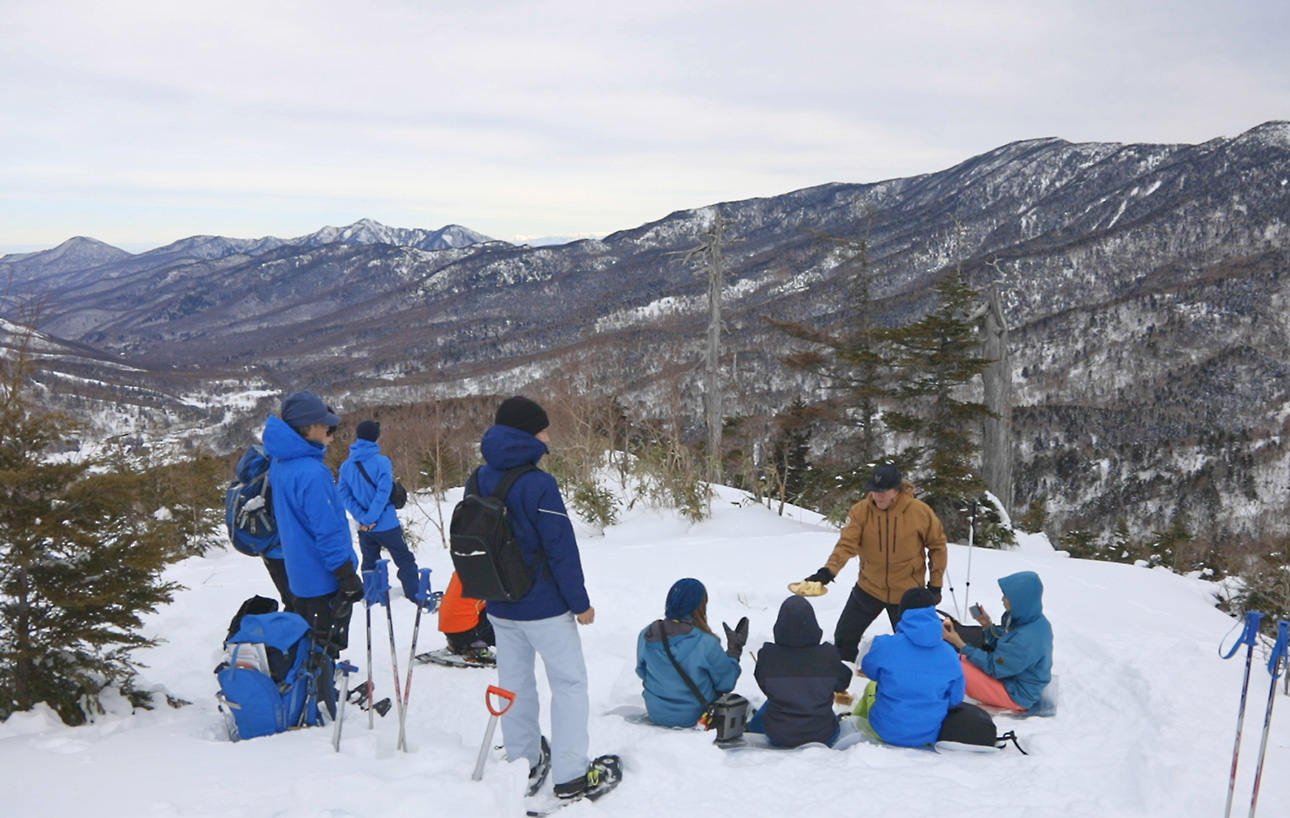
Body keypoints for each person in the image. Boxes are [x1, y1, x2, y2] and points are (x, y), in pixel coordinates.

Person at [476, 396, 617, 801]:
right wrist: (580, 603)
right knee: (569, 684)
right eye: (543, 429)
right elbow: (560, 550)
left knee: (515, 684)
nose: (548, 435)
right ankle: (571, 776)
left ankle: (524, 762)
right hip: (544, 609)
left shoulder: (478, 478)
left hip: (500, 604)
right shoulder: (539, 484)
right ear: (527, 434)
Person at [802, 462, 948, 662]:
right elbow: (847, 544)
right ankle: (843, 685)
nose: (878, 495)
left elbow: (937, 546)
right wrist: (827, 572)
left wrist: (935, 585)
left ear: (897, 489)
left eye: (884, 490)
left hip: (907, 592)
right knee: (844, 638)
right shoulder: (860, 511)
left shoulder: (920, 512)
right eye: (874, 490)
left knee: (914, 646)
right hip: (869, 587)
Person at [261, 391, 362, 658]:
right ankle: (323, 693)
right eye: (323, 423)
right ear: (308, 428)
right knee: (326, 644)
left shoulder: (280, 463)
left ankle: (316, 688)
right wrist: (346, 575)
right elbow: (327, 531)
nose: (328, 427)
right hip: (323, 577)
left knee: (309, 643)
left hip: (298, 574)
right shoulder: (312, 473)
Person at [854, 587, 965, 747]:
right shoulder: (949, 653)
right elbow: (955, 698)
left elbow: (869, 671)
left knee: (872, 687)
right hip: (930, 733)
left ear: (903, 612)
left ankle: (857, 722)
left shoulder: (884, 645)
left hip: (886, 730)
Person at [636, 578, 746, 728]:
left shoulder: (647, 634)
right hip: (696, 717)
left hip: (657, 713)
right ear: (699, 607)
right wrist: (734, 652)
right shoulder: (706, 642)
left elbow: (642, 671)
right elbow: (726, 683)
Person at [749, 595, 852, 747]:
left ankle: (752, 729)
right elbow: (843, 682)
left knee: (769, 705)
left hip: (779, 735)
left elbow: (764, 686)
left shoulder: (768, 655)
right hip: (823, 735)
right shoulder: (827, 655)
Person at [941, 571, 1053, 711]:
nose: (1002, 599)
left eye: (1007, 596)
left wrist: (960, 643)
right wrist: (987, 626)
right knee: (954, 660)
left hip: (1016, 695)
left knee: (953, 668)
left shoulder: (1027, 639)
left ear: (1020, 599)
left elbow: (994, 667)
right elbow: (1006, 645)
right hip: (1012, 678)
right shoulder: (1031, 619)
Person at [337, 420, 421, 602]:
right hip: (386, 523)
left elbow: (344, 495)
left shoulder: (346, 466)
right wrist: (371, 517)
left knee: (369, 561)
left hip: (365, 527)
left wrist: (362, 518)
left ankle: (373, 596)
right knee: (404, 559)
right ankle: (415, 595)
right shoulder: (382, 462)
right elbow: (383, 493)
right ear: (376, 436)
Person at [438, 570, 495, 659]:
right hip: (467, 631)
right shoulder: (491, 574)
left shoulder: (463, 567)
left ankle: (457, 644)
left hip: (448, 628)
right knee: (503, 612)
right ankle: (476, 646)